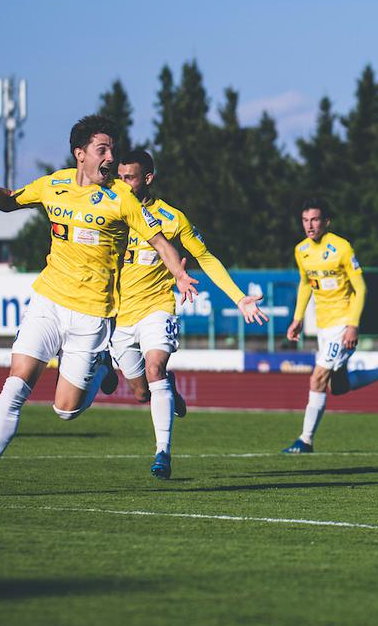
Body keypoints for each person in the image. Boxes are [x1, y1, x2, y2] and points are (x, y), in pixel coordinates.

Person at [0, 115, 198, 497]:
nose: (111, 157)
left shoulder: (121, 197)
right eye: (103, 149)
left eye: (113, 150)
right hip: (48, 300)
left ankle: (102, 362)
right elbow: (8, 202)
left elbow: (160, 242)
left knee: (64, 410)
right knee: (16, 383)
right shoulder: (54, 184)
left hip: (92, 312)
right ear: (80, 154)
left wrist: (180, 274)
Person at [114, 150, 268, 479]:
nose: (124, 183)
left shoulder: (172, 218)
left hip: (157, 307)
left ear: (148, 179)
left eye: (130, 177)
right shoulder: (111, 209)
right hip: (119, 315)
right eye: (120, 176)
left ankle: (162, 453)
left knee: (155, 368)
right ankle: (166, 388)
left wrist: (239, 298)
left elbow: (206, 258)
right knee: (141, 392)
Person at [284, 199, 378, 453]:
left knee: (317, 378)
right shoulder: (301, 250)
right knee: (338, 388)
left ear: (326, 221)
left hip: (343, 323)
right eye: (306, 220)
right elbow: (306, 284)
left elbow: (360, 287)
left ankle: (305, 440)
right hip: (323, 326)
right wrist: (297, 319)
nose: (310, 225)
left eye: (315, 219)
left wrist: (352, 325)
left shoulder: (341, 247)